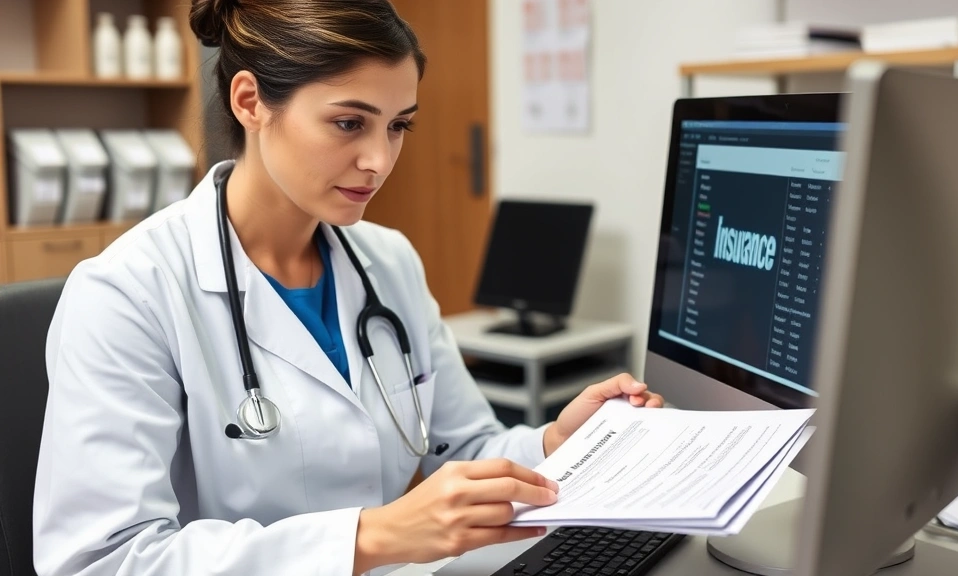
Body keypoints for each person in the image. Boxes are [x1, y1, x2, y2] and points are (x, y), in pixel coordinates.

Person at [32, 1, 664, 575]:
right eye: (348, 123)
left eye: (398, 126)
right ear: (250, 102)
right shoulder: (128, 295)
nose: (379, 160)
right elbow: (102, 561)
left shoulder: (388, 262)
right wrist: (373, 537)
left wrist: (556, 441)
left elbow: (462, 446)